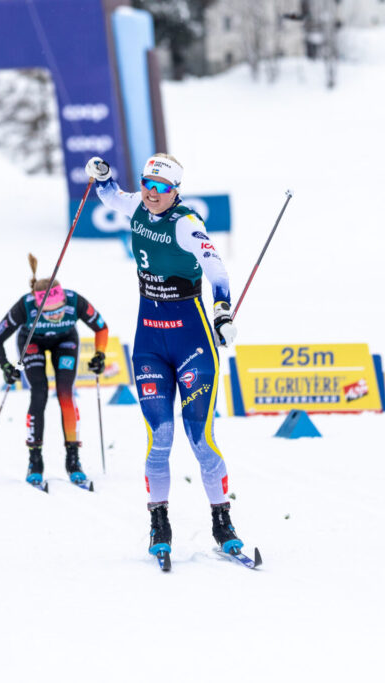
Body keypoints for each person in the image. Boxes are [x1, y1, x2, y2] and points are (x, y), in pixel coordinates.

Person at [85, 153, 244, 558]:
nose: (153, 194)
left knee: (200, 437)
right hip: (150, 344)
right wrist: (102, 177)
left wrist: (223, 313)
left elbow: (219, 273)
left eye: (162, 188)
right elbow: (110, 196)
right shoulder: (137, 204)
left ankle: (222, 522)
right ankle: (159, 521)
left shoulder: (187, 224)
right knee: (160, 438)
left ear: (176, 191)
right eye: (148, 185)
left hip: (193, 343)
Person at [0, 253, 109, 486]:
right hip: (32, 342)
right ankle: (35, 460)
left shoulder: (75, 301)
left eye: (59, 310)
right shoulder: (25, 306)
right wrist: (5, 366)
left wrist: (99, 354)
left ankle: (73, 460)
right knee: (39, 391)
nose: (55, 315)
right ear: (38, 306)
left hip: (65, 341)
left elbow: (101, 328)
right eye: (49, 312)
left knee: (65, 392)